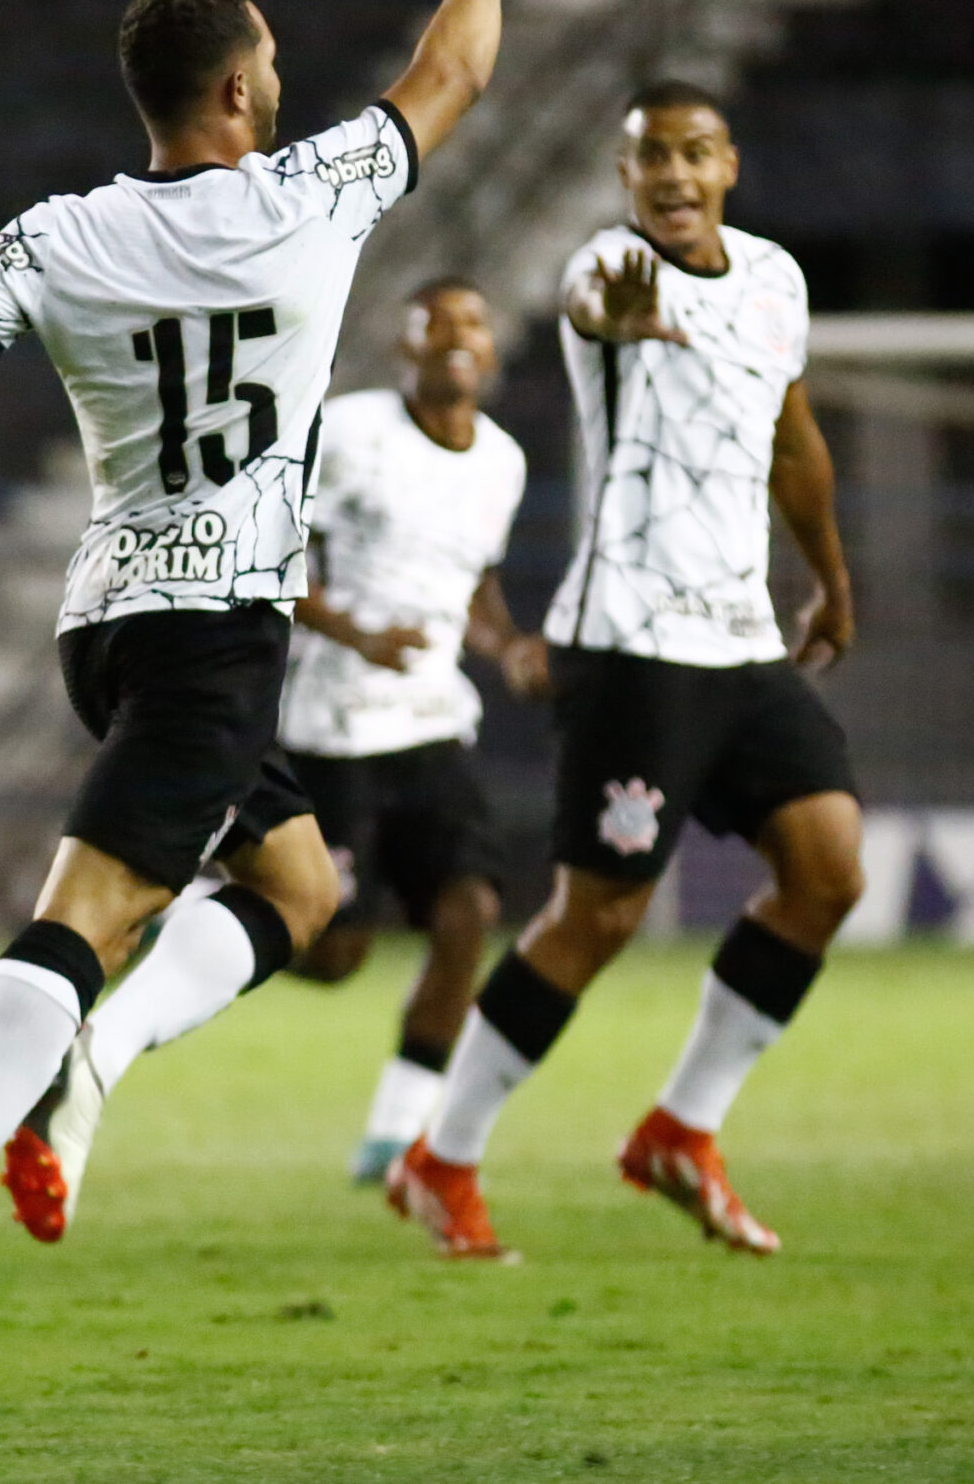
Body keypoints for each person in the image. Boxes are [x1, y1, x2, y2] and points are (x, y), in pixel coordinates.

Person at [0, 0, 514, 1371]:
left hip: (108, 625)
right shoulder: (314, 192)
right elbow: (454, 70)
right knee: (93, 914)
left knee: (305, 893)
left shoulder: (59, 233)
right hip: (219, 633)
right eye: (272, 70)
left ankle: (94, 1060)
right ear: (244, 87)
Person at [386, 79, 866, 1261]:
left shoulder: (775, 283)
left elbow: (793, 442)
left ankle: (679, 1129)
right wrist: (635, 317)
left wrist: (832, 580)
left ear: (729, 166)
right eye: (650, 159)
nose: (673, 177)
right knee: (597, 915)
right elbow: (604, 305)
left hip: (743, 640)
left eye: (694, 155)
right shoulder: (603, 269)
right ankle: (439, 1158)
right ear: (624, 178)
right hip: (633, 647)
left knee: (827, 874)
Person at [281, 277, 538, 1184]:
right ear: (406, 351)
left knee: (468, 911)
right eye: (436, 327)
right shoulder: (349, 434)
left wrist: (506, 645)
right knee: (334, 951)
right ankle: (206, 915)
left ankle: (397, 1133)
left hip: (433, 722)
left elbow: (474, 587)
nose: (456, 338)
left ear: (491, 350)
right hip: (334, 723)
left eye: (473, 322)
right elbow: (268, 552)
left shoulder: (503, 461)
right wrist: (354, 631)